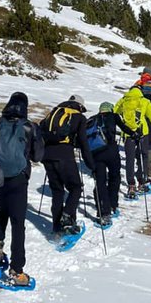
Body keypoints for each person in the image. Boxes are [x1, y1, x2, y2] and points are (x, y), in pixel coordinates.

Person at [0, 91, 44, 285]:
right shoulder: (29, 127)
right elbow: (38, 156)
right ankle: (17, 270)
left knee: (2, 211)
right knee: (18, 222)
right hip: (18, 178)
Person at [39, 95, 94, 235]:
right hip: (64, 156)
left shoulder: (53, 113)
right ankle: (68, 218)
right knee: (75, 188)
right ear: (80, 107)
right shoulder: (79, 117)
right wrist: (91, 165)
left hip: (47, 156)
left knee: (57, 191)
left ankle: (57, 227)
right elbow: (83, 143)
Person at [87, 101, 133, 224]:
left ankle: (103, 212)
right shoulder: (113, 116)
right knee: (115, 177)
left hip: (96, 153)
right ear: (111, 109)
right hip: (111, 151)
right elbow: (124, 128)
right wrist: (134, 134)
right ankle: (113, 205)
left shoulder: (92, 119)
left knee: (100, 182)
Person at [114, 84, 151, 198]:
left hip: (128, 134)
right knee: (143, 156)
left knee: (129, 159)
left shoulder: (123, 100)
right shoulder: (144, 101)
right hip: (142, 134)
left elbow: (115, 112)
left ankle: (131, 185)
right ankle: (141, 181)